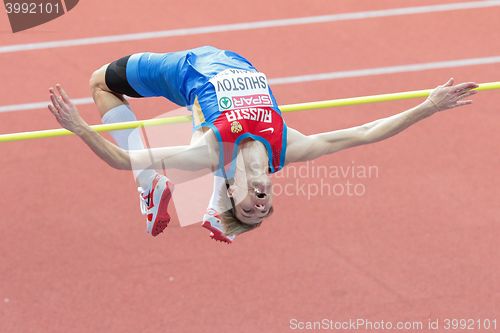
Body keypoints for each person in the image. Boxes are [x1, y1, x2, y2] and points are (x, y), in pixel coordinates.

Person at [48, 46, 478, 243]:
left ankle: (150, 186)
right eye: (264, 209)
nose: (260, 205)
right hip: (240, 61)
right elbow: (366, 133)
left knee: (100, 83)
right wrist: (429, 106)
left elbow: (120, 159)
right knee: (189, 124)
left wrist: (79, 127)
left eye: (247, 209)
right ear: (269, 192)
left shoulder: (214, 151)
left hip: (186, 70)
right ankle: (160, 187)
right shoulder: (286, 148)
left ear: (233, 194)